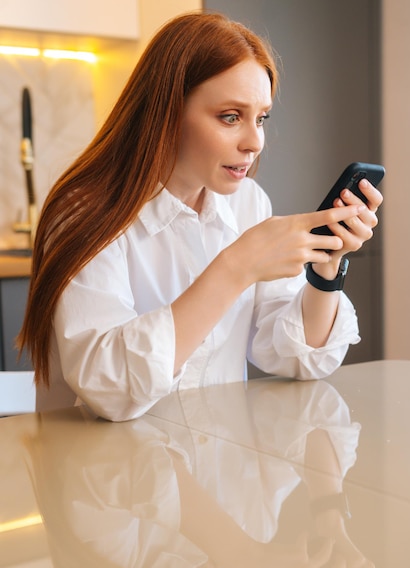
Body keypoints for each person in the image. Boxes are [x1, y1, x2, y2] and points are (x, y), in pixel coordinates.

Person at [18, 11, 382, 421]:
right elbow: (111, 389)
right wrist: (236, 267)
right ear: (166, 111)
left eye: (260, 118)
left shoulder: (248, 203)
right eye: (231, 117)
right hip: (106, 473)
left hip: (219, 470)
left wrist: (326, 268)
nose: (255, 142)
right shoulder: (84, 212)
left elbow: (296, 358)